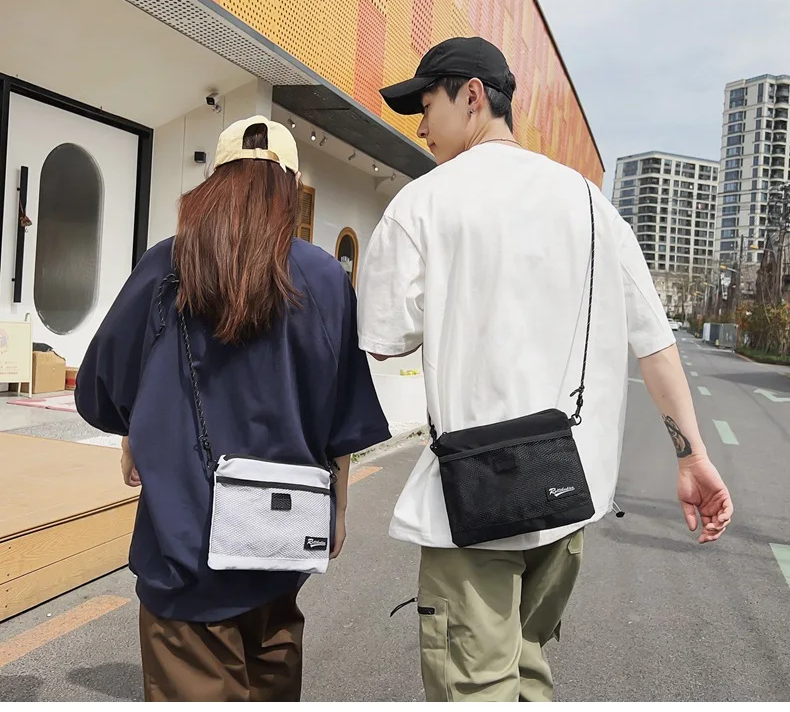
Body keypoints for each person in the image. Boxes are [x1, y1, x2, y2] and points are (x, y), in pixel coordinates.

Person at [356, 36, 733, 702]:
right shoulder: (592, 205)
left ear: (472, 97)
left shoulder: (422, 203)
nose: (420, 126)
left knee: (475, 687)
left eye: (426, 104)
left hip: (473, 498)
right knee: (528, 671)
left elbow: (385, 340)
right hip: (565, 494)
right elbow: (654, 342)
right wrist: (692, 456)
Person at [75, 115, 391, 702]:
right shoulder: (324, 276)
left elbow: (104, 382)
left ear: (215, 181)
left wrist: (134, 434)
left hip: (184, 544)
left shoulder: (168, 264)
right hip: (280, 543)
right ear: (291, 187)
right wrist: (338, 510)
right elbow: (343, 416)